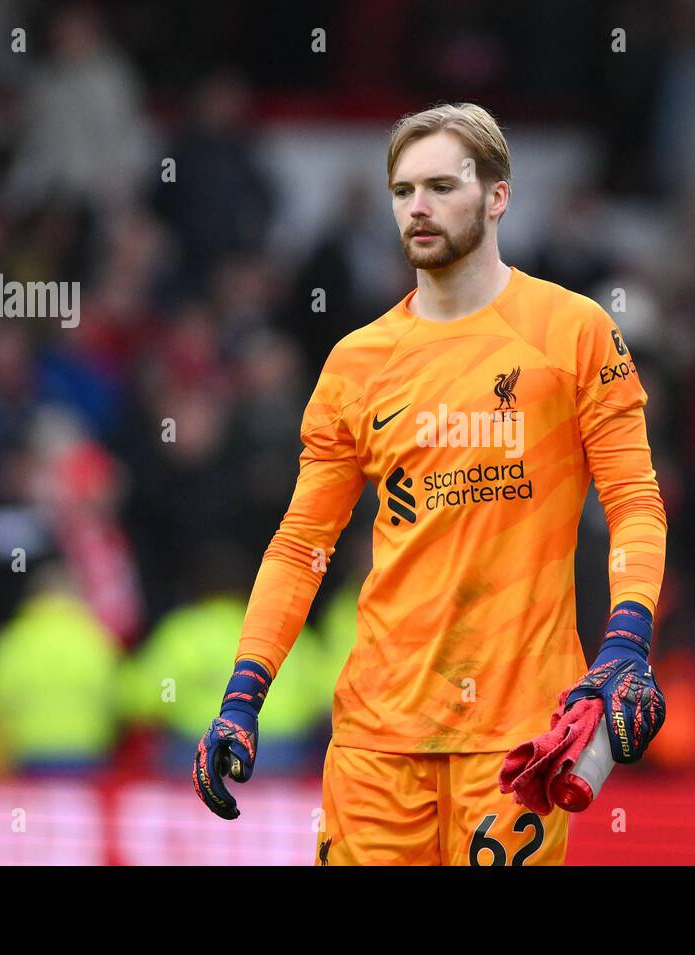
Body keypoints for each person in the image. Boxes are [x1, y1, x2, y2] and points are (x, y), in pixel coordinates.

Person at [191, 103, 669, 865]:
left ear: (497, 195)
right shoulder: (357, 361)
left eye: (442, 186)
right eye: (403, 190)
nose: (418, 207)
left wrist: (627, 643)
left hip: (519, 739)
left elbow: (635, 502)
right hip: (376, 737)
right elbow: (301, 543)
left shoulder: (574, 331)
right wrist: (244, 693)